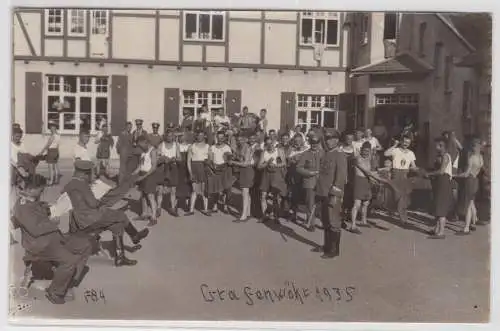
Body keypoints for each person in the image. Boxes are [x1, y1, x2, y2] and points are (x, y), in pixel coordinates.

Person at [13, 174, 93, 304]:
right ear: (33, 188)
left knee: (86, 245)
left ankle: (66, 282)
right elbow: (35, 228)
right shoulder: (22, 206)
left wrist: (48, 207)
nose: (42, 192)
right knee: (70, 261)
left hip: (52, 239)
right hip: (40, 245)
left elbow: (37, 208)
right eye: (41, 189)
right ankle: (55, 292)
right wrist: (53, 223)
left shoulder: (31, 199)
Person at [63, 160, 149, 267]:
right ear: (84, 174)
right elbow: (93, 203)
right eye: (90, 173)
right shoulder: (82, 185)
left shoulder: (71, 184)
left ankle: (120, 257)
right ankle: (134, 236)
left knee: (117, 224)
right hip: (90, 218)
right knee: (120, 215)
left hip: (81, 218)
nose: (92, 175)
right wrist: (100, 198)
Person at [313, 130, 347, 259]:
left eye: (331, 139)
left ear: (337, 140)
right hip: (323, 192)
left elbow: (341, 177)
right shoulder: (328, 153)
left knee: (333, 222)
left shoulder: (339, 155)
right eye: (326, 139)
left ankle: (334, 250)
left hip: (332, 194)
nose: (328, 141)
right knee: (325, 221)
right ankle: (326, 245)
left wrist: (335, 195)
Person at [384, 135, 418, 226]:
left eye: (408, 142)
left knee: (404, 197)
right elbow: (386, 154)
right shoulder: (396, 150)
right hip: (396, 173)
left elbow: (413, 165)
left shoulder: (411, 153)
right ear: (401, 141)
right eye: (404, 142)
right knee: (396, 195)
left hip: (405, 174)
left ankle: (403, 219)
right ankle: (398, 213)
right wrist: (395, 145)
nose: (406, 144)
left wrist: (417, 170)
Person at [425, 138, 453, 239]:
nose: (436, 147)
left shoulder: (445, 156)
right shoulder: (439, 156)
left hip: (444, 182)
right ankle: (436, 230)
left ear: (441, 146)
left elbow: (441, 171)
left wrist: (429, 173)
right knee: (437, 206)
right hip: (438, 182)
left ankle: (441, 232)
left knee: (441, 207)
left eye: (437, 145)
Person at [455, 138, 484, 234]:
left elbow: (466, 173)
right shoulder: (480, 158)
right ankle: (474, 223)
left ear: (474, 147)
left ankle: (466, 228)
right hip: (476, 180)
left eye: (472, 146)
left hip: (470, 180)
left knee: (467, 204)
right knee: (472, 202)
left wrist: (455, 175)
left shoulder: (471, 158)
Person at [257, 135, 288, 223]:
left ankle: (276, 216)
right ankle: (264, 215)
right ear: (265, 145)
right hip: (266, 174)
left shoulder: (279, 150)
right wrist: (267, 163)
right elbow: (259, 166)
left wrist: (276, 165)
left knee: (275, 196)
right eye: (267, 144)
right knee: (263, 195)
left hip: (276, 174)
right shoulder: (264, 152)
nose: (270, 146)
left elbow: (284, 163)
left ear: (274, 143)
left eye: (271, 144)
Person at [296, 135, 323, 231]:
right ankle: (311, 222)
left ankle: (322, 221)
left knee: (321, 203)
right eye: (313, 143)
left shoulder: (323, 153)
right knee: (310, 203)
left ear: (319, 143)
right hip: (309, 182)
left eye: (316, 143)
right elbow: (299, 168)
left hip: (321, 182)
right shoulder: (305, 154)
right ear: (310, 143)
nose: (314, 145)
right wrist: (309, 173)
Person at [350, 142, 375, 233]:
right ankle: (353, 225)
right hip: (359, 181)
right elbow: (367, 172)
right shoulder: (358, 158)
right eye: (364, 151)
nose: (366, 153)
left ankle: (363, 221)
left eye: (368, 151)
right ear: (361, 149)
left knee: (366, 203)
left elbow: (370, 171)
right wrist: (377, 176)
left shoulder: (369, 158)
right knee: (357, 204)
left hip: (367, 182)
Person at [135, 135, 160, 226]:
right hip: (142, 174)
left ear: (145, 142)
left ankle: (154, 217)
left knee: (150, 196)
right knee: (143, 196)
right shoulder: (143, 152)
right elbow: (139, 166)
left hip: (150, 175)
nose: (140, 147)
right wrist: (133, 174)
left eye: (140, 145)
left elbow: (153, 167)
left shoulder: (152, 151)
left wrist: (143, 176)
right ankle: (144, 214)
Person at [207, 131, 233, 214]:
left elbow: (229, 159)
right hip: (215, 169)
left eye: (222, 137)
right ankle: (215, 206)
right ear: (216, 138)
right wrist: (212, 166)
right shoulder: (212, 147)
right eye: (219, 137)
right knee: (216, 189)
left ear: (224, 138)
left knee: (227, 189)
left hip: (225, 169)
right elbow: (210, 159)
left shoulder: (227, 147)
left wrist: (226, 162)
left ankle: (225, 206)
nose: (220, 139)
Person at [230, 133, 255, 222]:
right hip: (243, 171)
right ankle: (247, 213)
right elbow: (239, 159)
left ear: (245, 139)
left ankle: (244, 215)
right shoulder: (239, 147)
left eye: (241, 140)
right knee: (246, 193)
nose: (239, 141)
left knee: (245, 192)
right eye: (238, 140)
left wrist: (233, 162)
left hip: (247, 170)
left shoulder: (247, 148)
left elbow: (245, 163)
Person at [157, 130, 181, 217]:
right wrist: (163, 158)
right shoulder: (161, 145)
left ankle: (173, 208)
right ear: (165, 136)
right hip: (163, 168)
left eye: (171, 136)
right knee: (160, 189)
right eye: (168, 136)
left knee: (173, 190)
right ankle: (158, 208)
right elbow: (157, 157)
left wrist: (175, 159)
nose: (169, 137)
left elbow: (180, 158)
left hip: (173, 168)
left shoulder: (176, 145)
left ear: (173, 137)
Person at [186, 131, 210, 216]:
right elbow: (188, 161)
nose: (200, 137)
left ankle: (206, 209)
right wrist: (190, 172)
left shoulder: (208, 146)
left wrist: (208, 165)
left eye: (201, 135)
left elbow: (210, 159)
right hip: (194, 168)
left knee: (204, 190)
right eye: (198, 135)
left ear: (204, 136)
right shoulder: (192, 146)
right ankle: (191, 210)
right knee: (194, 190)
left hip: (203, 168)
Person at [175, 132, 193, 214]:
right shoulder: (178, 145)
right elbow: (178, 155)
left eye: (183, 136)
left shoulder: (190, 145)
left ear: (186, 137)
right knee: (179, 184)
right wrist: (177, 136)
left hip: (187, 166)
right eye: (180, 137)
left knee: (187, 185)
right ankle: (177, 203)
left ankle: (186, 203)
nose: (182, 138)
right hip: (180, 167)